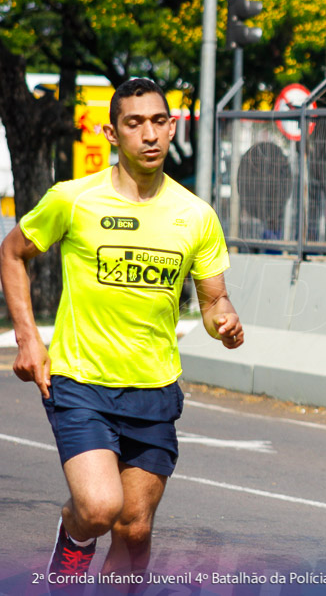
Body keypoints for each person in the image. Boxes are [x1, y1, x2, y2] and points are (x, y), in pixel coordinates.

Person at [0, 78, 245, 581]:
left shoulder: (195, 215)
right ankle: (70, 539)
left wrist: (225, 322)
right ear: (113, 133)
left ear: (172, 127)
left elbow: (213, 298)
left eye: (159, 121)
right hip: (81, 380)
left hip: (152, 388)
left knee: (134, 530)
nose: (149, 134)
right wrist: (28, 337)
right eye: (135, 124)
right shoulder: (73, 199)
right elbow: (11, 252)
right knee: (98, 508)